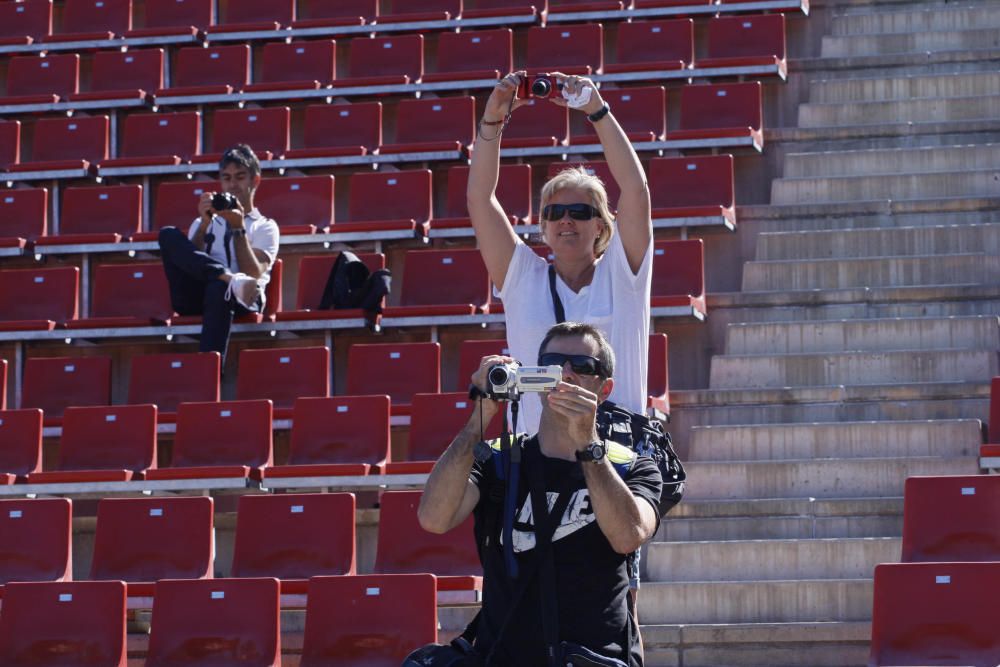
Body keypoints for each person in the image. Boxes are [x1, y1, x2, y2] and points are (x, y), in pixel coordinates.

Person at [418, 322, 662, 666]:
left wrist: (589, 445)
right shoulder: (499, 460)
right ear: (536, 378)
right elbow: (433, 518)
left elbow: (628, 536)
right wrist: (481, 415)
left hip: (594, 659)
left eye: (582, 366)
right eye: (553, 363)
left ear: (604, 388)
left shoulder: (633, 466)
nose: (566, 374)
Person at [467, 71, 653, 435]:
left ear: (601, 226)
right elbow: (480, 199)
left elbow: (636, 190)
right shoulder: (522, 276)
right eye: (554, 213)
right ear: (544, 226)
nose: (566, 221)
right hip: (537, 459)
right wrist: (492, 120)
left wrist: (597, 111)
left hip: (616, 457)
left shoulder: (623, 273)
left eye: (580, 212)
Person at [157, 144, 279, 364]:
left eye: (240, 177)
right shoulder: (204, 221)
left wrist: (238, 228)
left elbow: (253, 272)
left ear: (255, 181)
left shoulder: (265, 226)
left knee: (219, 288)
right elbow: (187, 263)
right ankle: (226, 277)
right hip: (198, 296)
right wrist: (204, 225)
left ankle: (209, 371)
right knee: (167, 234)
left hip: (245, 298)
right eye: (227, 178)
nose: (233, 185)